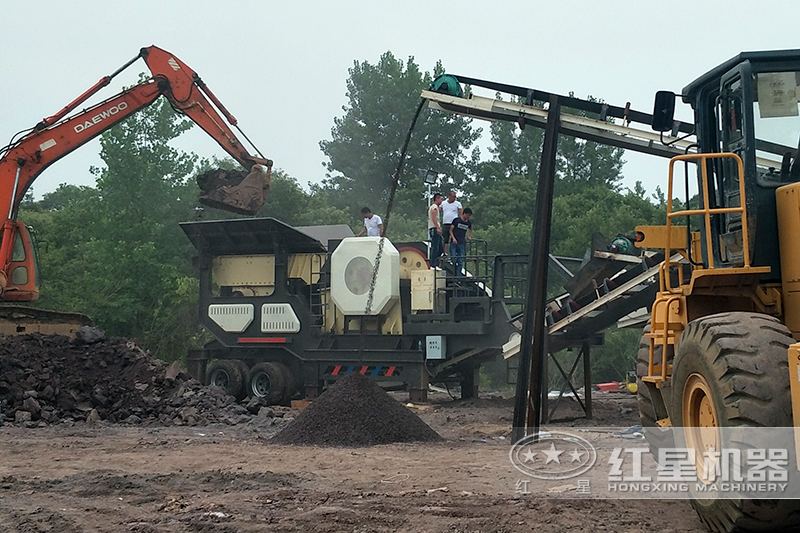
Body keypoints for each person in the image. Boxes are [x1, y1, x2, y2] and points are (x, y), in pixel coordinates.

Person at [449, 207, 473, 282]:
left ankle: (458, 278)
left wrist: (469, 236)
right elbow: (451, 230)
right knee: (453, 258)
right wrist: (453, 238)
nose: (468, 217)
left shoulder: (468, 222)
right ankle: (454, 274)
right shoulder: (457, 221)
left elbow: (471, 228)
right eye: (468, 215)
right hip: (454, 242)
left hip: (462, 242)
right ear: (464, 214)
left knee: (460, 261)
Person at [441, 190, 462, 254]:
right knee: (445, 239)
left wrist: (460, 222)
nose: (454, 198)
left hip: (454, 224)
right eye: (453, 196)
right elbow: (437, 209)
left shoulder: (457, 204)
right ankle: (445, 253)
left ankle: (455, 253)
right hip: (445, 223)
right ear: (449, 196)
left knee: (455, 239)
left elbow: (461, 213)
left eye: (455, 197)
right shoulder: (443, 203)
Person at [427, 193, 444, 264]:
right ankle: (432, 264)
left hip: (434, 228)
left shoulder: (434, 207)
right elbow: (434, 218)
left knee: (440, 248)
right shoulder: (434, 207)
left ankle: (435, 262)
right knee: (435, 247)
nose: (441, 201)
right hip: (434, 228)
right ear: (437, 199)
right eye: (441, 199)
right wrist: (437, 227)